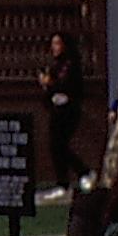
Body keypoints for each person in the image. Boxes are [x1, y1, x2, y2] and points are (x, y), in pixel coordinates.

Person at [38, 30, 86, 196]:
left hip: (68, 109)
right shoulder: (55, 64)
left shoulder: (71, 64)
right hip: (56, 108)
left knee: (59, 144)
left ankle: (81, 173)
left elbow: (69, 85)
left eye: (57, 43)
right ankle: (67, 179)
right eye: (53, 44)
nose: (54, 47)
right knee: (55, 145)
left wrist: (52, 83)